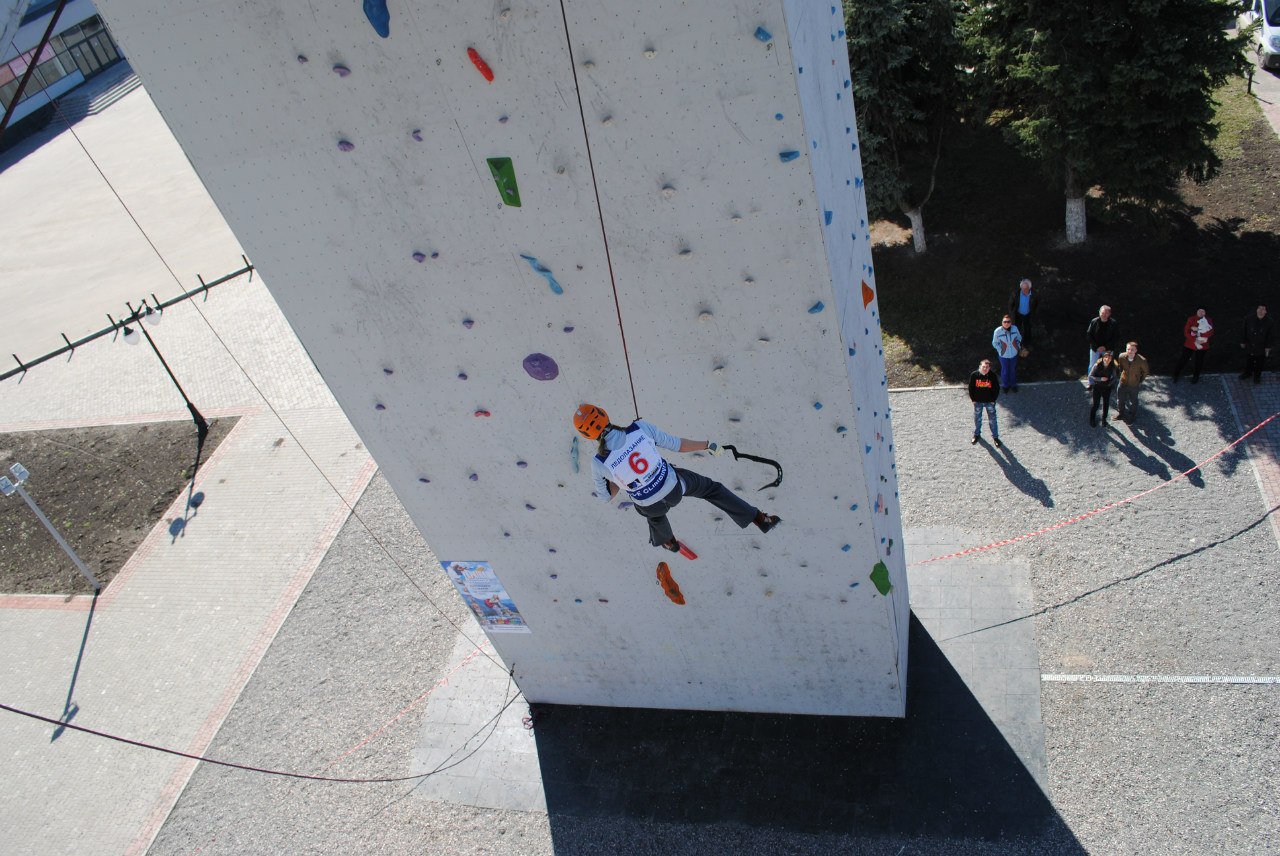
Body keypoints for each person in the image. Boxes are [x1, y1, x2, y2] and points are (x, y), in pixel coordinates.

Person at [573, 404, 780, 554]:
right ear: (605, 414)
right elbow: (677, 445)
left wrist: (617, 476)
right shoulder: (640, 428)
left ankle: (668, 542)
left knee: (653, 514)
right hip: (674, 488)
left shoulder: (598, 463)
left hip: (650, 505)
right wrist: (708, 444)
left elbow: (606, 497)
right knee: (712, 490)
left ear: (587, 436)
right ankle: (759, 519)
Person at [1173, 308, 1213, 384]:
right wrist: (1195, 340)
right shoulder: (1191, 319)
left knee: (1199, 361)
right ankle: (1176, 374)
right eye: (1199, 310)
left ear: (1205, 312)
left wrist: (1199, 333)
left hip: (1202, 345)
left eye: (1203, 311)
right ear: (1196, 311)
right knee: (1183, 359)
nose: (1201, 312)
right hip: (1190, 344)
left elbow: (1210, 332)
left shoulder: (1209, 320)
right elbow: (1186, 332)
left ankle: (1196, 376)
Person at [967, 359, 1002, 447]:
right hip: (978, 402)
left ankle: (995, 437)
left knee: (992, 420)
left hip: (989, 402)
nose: (985, 369)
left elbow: (997, 388)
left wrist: (993, 400)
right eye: (983, 367)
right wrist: (973, 399)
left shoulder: (992, 376)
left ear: (989, 368)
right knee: (977, 418)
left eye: (987, 367)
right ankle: (977, 434)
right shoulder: (974, 375)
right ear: (980, 366)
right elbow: (971, 388)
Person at [1113, 341, 1150, 423]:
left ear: (1136, 350)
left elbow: (1145, 372)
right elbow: (1120, 367)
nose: (1129, 351)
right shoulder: (1121, 356)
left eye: (1132, 349)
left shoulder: (1142, 360)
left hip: (1134, 384)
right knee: (1120, 399)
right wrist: (1121, 376)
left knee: (1133, 401)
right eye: (1128, 349)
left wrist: (1139, 380)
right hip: (1123, 383)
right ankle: (1120, 413)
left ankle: (1131, 415)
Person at [1087, 305, 1120, 385]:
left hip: (1108, 349)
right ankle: (1091, 383)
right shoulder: (1094, 321)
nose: (1104, 315)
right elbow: (1089, 335)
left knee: (1109, 365)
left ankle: (1109, 382)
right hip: (1096, 348)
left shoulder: (1113, 323)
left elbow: (1115, 337)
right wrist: (1097, 347)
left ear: (1109, 314)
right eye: (1102, 313)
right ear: (1099, 312)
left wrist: (1106, 347)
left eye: (1106, 313)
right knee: (1092, 365)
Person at [1239, 305, 1273, 384]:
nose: (1261, 311)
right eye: (1259, 308)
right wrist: (1242, 341)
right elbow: (1244, 330)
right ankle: (1248, 373)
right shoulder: (1249, 319)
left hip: (1261, 346)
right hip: (1250, 344)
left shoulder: (1270, 322)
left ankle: (1257, 376)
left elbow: (1271, 336)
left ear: (1266, 311)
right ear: (1256, 310)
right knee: (1249, 360)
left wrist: (1268, 347)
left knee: (1259, 362)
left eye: (1263, 309)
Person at [992, 314, 1023, 392]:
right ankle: (1005, 385)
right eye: (1004, 321)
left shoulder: (1015, 329)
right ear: (1002, 322)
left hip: (1014, 354)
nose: (1006, 323)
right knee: (1005, 370)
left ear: (1011, 322)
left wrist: (1017, 346)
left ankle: (1013, 385)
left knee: (1012, 370)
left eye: (1008, 321)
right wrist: (1000, 350)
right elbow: (994, 343)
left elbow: (1019, 337)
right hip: (1003, 355)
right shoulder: (997, 331)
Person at [1088, 350, 1116, 427]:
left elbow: (1114, 378)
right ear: (1103, 358)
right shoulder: (1097, 365)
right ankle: (1092, 419)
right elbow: (1090, 376)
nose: (1107, 359)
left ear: (1111, 359)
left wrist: (1109, 384)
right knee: (1096, 405)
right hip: (1097, 387)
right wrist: (1100, 379)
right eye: (1106, 357)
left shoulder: (1112, 367)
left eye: (1109, 358)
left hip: (1107, 388)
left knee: (1106, 404)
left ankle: (1104, 420)